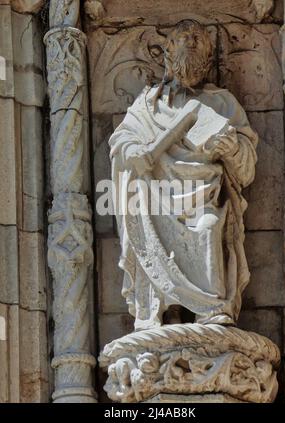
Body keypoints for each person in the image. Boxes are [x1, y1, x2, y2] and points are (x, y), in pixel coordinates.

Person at [108, 20, 258, 331]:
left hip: (205, 198)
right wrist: (133, 151)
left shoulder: (222, 103)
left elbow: (246, 167)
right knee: (145, 213)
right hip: (155, 200)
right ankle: (164, 313)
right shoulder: (148, 105)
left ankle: (211, 311)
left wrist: (231, 149)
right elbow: (122, 140)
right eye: (183, 37)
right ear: (167, 51)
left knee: (209, 227)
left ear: (207, 57)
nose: (191, 42)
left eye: (198, 39)